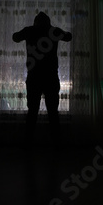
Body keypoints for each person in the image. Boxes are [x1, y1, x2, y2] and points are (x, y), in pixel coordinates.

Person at [12, 12, 72, 148]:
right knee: (53, 112)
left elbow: (15, 37)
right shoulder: (53, 31)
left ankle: (28, 144)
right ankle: (56, 145)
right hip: (50, 76)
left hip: (34, 76)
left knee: (32, 111)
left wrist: (28, 32)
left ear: (35, 21)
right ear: (48, 22)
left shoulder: (29, 31)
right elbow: (68, 37)